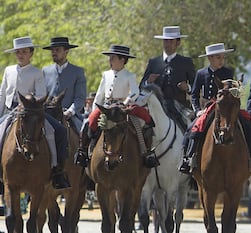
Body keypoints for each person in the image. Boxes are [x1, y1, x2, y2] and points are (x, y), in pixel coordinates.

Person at [179, 43, 251, 174]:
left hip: (226, 107)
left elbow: (232, 91)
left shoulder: (228, 72)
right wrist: (198, 110)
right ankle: (189, 158)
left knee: (249, 123)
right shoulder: (201, 73)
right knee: (192, 129)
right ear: (210, 58)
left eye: (222, 57)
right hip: (208, 109)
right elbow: (194, 95)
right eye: (218, 57)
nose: (221, 60)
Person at [0, 36, 70, 189]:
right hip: (11, 111)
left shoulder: (37, 72)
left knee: (57, 131)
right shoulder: (8, 70)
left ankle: (57, 169)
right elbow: (2, 93)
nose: (21, 55)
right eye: (18, 52)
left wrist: (28, 103)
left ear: (31, 53)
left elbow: (41, 94)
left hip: (31, 112)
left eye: (24, 52)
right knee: (1, 132)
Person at [75, 44, 157, 168]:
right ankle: (85, 150)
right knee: (89, 122)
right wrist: (94, 110)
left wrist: (126, 102)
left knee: (139, 124)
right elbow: (100, 94)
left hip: (123, 107)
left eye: (112, 58)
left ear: (122, 60)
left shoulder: (130, 76)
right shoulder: (106, 74)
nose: (110, 60)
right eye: (110, 58)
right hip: (107, 106)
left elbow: (135, 92)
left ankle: (146, 152)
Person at [139, 26, 196, 132]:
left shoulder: (186, 62)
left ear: (177, 43)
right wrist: (148, 82)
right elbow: (141, 86)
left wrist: (187, 87)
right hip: (157, 106)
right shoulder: (154, 62)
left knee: (191, 131)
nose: (167, 44)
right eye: (165, 41)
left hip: (179, 106)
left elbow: (196, 86)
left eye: (171, 41)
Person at [42, 37, 87, 132]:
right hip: (48, 114)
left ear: (66, 51)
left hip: (70, 115)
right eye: (52, 50)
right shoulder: (45, 71)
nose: (54, 53)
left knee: (82, 134)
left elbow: (80, 98)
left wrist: (70, 112)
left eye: (57, 50)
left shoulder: (78, 72)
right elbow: (42, 94)